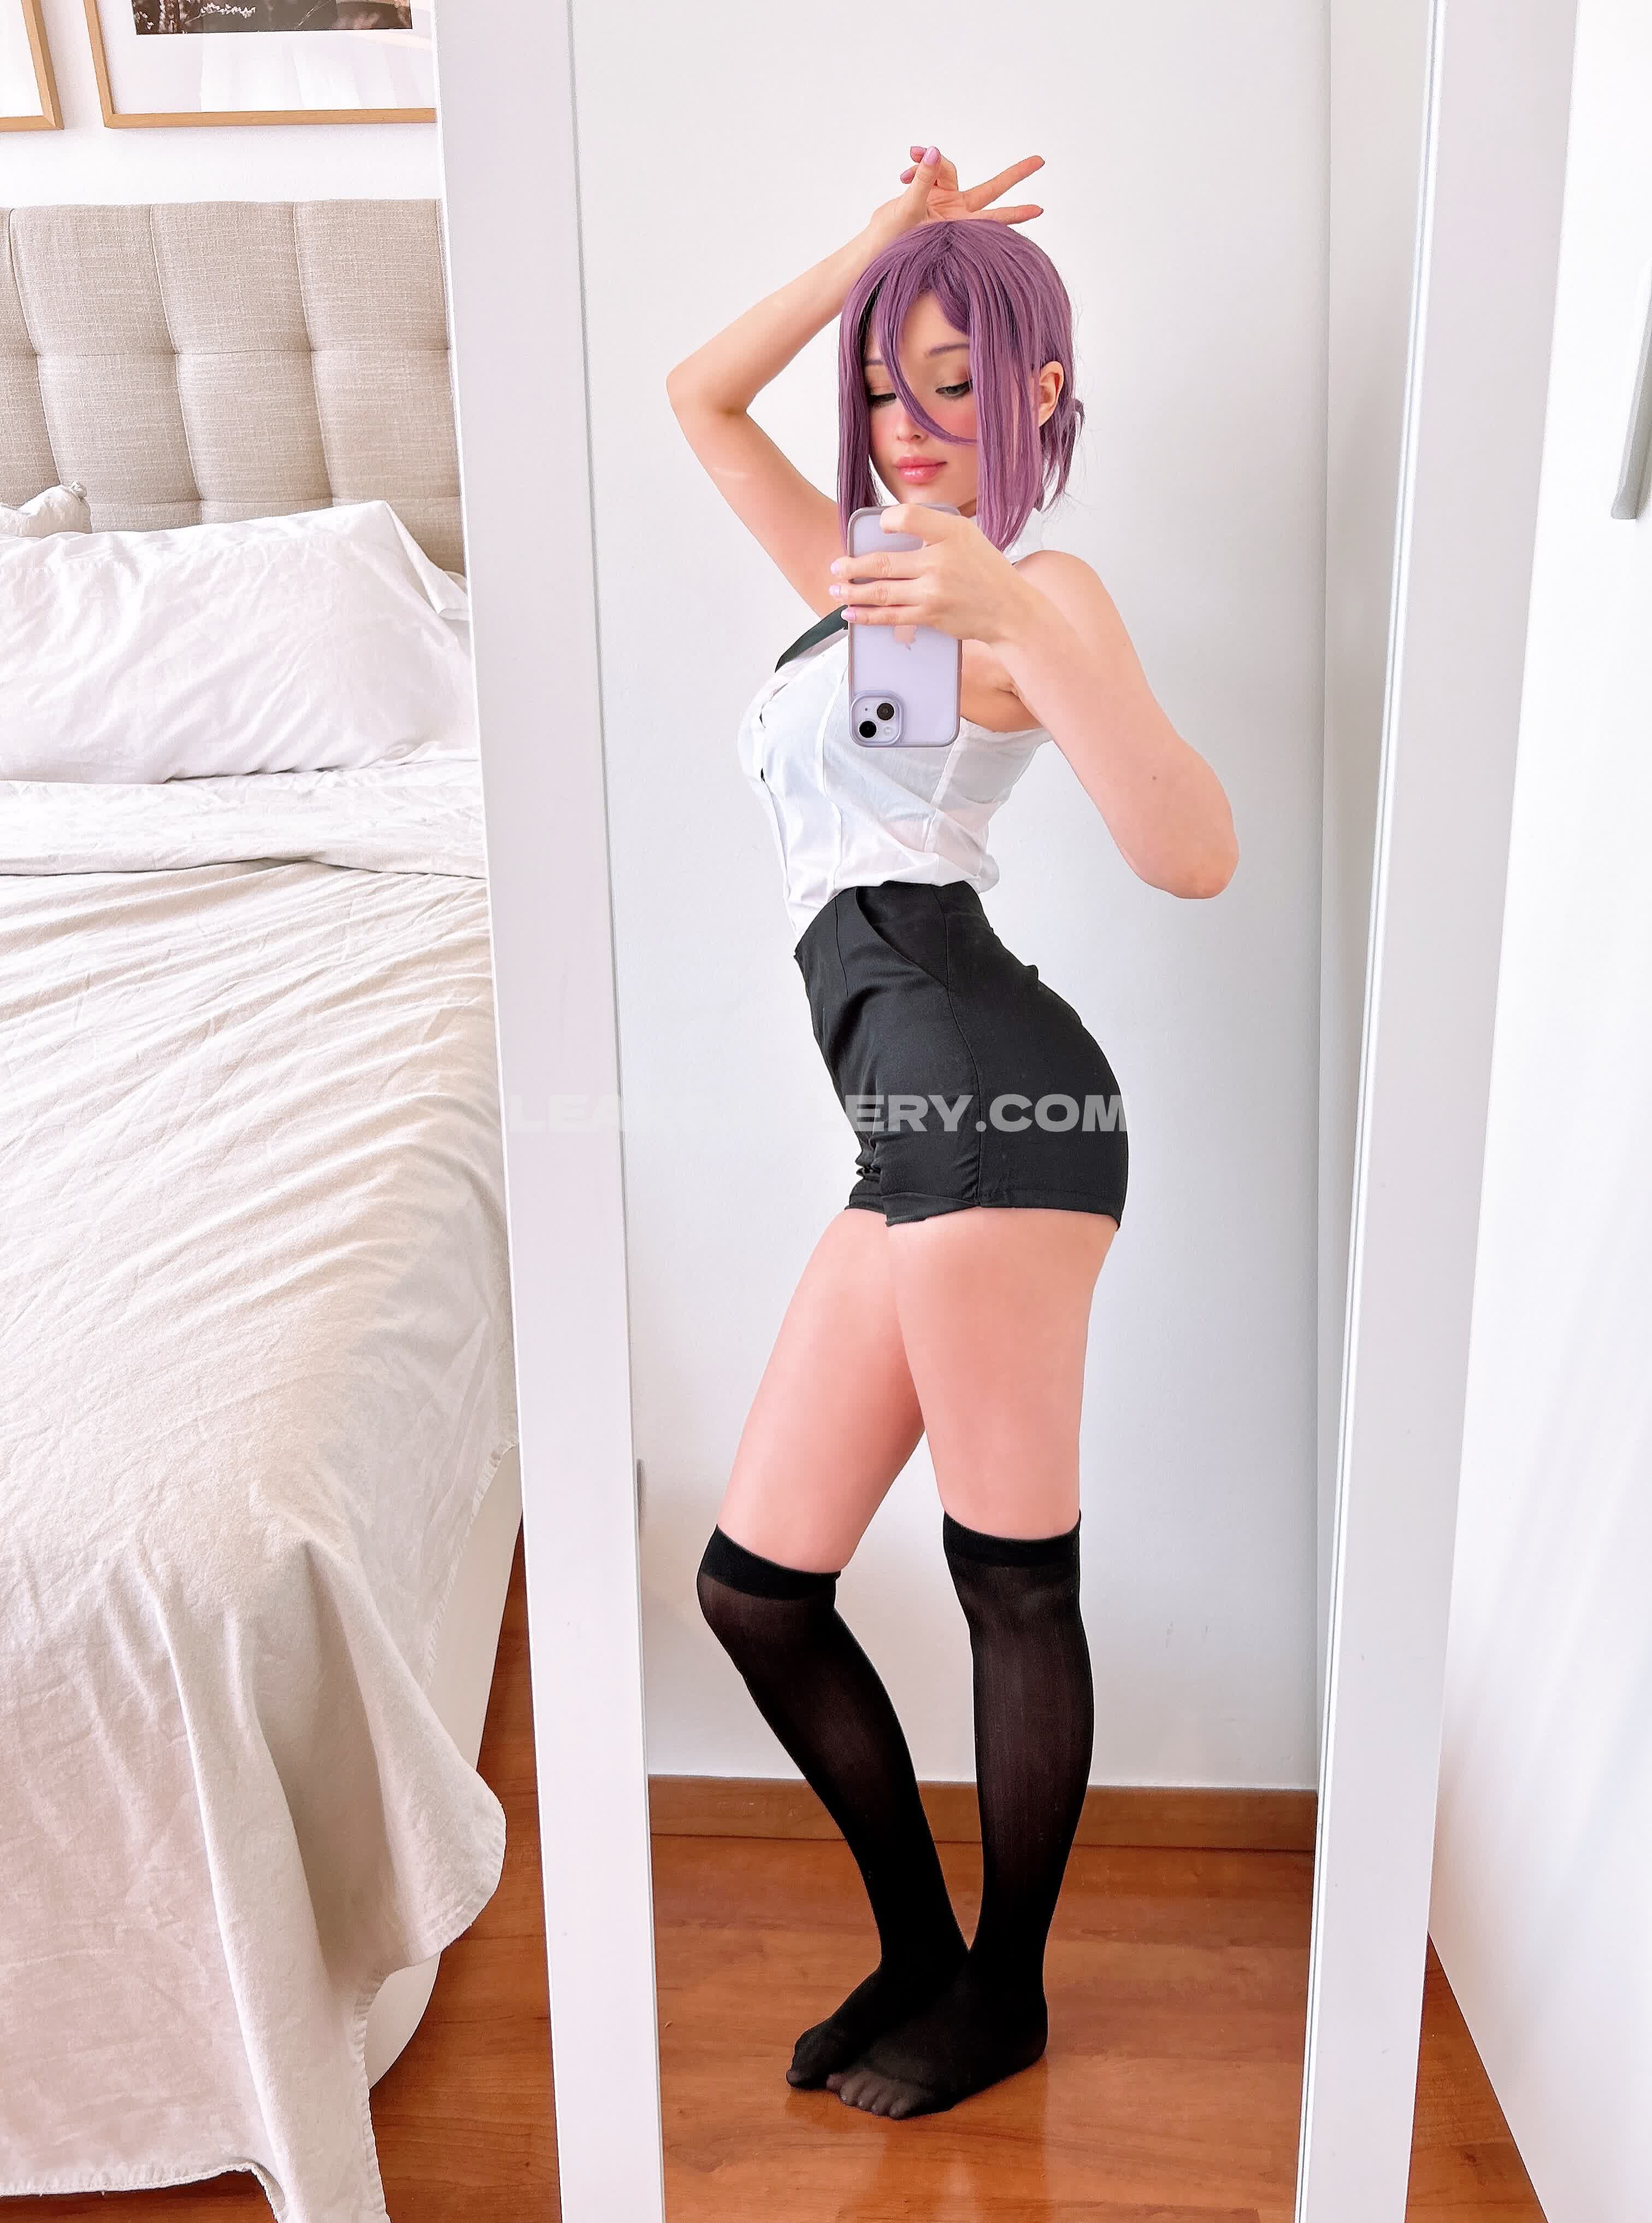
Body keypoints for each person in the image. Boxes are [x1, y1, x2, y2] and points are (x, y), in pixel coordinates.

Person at [665, 146, 1237, 2122]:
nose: (910, 423)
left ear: (1041, 398)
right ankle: (921, 1947)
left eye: (959, 383)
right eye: (884, 384)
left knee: (1011, 1578)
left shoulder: (1026, 591)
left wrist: (1022, 612)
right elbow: (697, 400)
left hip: (996, 1103)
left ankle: (1007, 1992)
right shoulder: (882, 596)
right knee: (759, 1587)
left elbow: (1193, 850)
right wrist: (875, 249)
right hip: (909, 1125)